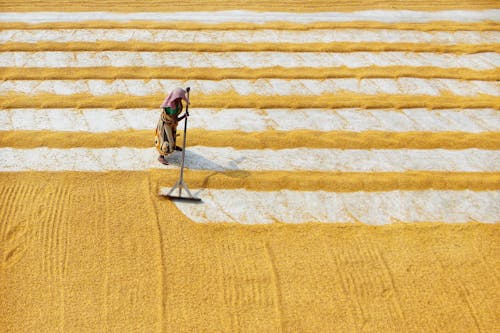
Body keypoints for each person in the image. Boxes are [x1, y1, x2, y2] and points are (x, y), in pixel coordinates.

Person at [155, 87, 190, 165]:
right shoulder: (171, 107)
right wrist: (184, 116)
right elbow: (175, 120)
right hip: (166, 125)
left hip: (171, 124)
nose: (180, 99)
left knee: (172, 136)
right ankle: (161, 156)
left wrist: (186, 92)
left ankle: (173, 146)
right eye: (179, 98)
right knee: (166, 139)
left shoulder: (177, 101)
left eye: (181, 98)